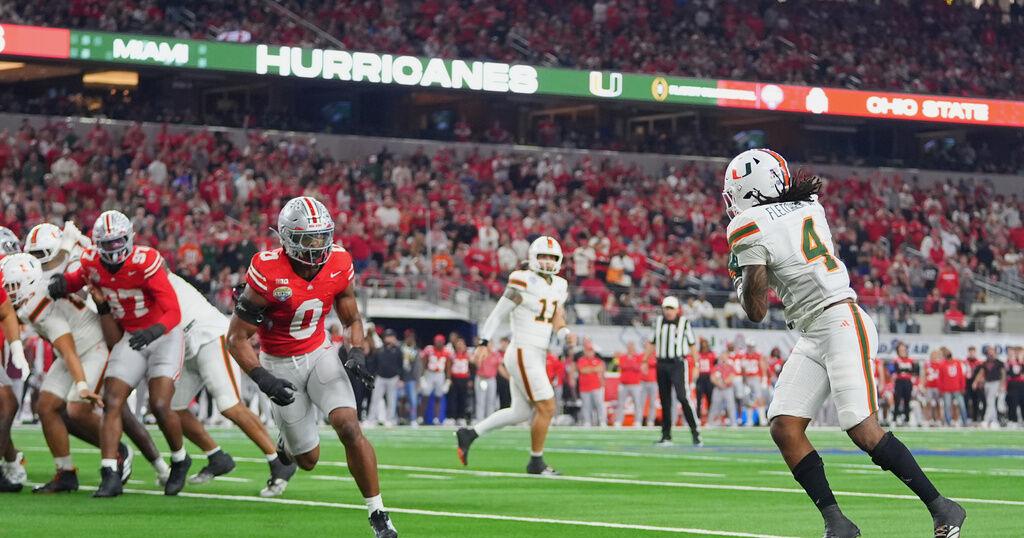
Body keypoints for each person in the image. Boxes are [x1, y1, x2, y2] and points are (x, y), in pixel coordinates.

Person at [723, 148, 964, 537]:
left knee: (861, 427)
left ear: (747, 190)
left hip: (839, 318)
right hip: (813, 329)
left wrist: (747, 268)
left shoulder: (749, 225)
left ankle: (942, 507)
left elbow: (756, 311)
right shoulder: (807, 205)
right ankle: (838, 523)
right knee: (785, 425)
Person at [226, 196, 397, 537]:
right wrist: (263, 378)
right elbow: (236, 338)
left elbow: (351, 316)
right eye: (309, 238)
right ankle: (286, 447)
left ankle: (378, 513)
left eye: (322, 236)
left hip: (319, 352)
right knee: (308, 460)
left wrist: (356, 352)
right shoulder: (266, 270)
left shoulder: (339, 261)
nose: (318, 245)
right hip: (279, 363)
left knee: (348, 426)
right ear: (288, 238)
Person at [49, 210, 191, 497]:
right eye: (108, 244)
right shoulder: (91, 260)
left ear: (129, 239)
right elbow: (79, 277)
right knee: (112, 401)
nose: (113, 249)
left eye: (118, 242)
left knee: (161, 405)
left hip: (163, 333)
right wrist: (63, 284)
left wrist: (153, 331)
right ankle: (110, 473)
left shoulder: (146, 261)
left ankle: (180, 459)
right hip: (130, 336)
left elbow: (173, 309)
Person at [456, 236, 574, 476]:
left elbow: (556, 315)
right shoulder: (523, 280)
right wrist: (484, 342)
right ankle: (536, 461)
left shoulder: (560, 285)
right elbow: (498, 313)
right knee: (547, 406)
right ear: (533, 257)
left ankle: (470, 433)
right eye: (543, 256)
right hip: (523, 350)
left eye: (552, 258)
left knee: (520, 412)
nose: (548, 262)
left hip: (538, 352)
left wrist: (564, 332)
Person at [649, 296, 702, 446]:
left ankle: (695, 431)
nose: (668, 311)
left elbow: (692, 345)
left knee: (682, 397)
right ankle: (666, 435)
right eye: (666, 308)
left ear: (677, 309)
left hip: (678, 363)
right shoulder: (658, 322)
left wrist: (697, 364)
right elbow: (652, 342)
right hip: (662, 364)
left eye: (671, 308)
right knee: (665, 400)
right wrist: (645, 360)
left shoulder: (684, 323)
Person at [368, 329, 403, 427]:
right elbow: (374, 364)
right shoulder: (379, 350)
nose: (390, 338)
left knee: (391, 400)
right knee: (375, 399)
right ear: (384, 338)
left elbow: (401, 365)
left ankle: (390, 419)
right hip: (380, 377)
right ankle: (371, 419)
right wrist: (373, 376)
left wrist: (401, 378)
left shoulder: (398, 350)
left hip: (393, 378)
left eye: (391, 336)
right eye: (388, 336)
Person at [421, 334, 451, 425]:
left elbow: (448, 367)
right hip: (429, 373)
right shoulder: (429, 349)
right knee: (425, 396)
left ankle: (437, 418)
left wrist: (448, 380)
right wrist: (422, 376)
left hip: (440, 374)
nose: (439, 343)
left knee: (438, 397)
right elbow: (424, 363)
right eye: (437, 341)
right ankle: (421, 417)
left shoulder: (447, 351)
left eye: (441, 342)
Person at [575, 339, 606, 427]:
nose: (590, 353)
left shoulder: (598, 360)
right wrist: (593, 369)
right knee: (586, 406)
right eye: (588, 351)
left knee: (599, 405)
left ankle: (602, 421)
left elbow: (600, 369)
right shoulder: (581, 360)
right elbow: (582, 370)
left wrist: (589, 369)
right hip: (584, 387)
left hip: (596, 386)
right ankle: (587, 422)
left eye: (591, 351)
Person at [614, 341, 644, 428]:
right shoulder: (623, 357)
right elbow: (622, 366)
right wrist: (631, 364)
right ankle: (619, 421)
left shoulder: (638, 357)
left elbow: (638, 367)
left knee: (638, 403)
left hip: (635, 384)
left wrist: (630, 364)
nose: (630, 349)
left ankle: (638, 421)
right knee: (620, 403)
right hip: (624, 384)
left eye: (632, 347)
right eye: (629, 347)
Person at [472, 338, 502, 423]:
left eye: (491, 344)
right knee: (480, 401)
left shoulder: (495, 354)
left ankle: (490, 421)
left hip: (491, 379)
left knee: (491, 401)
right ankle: (479, 421)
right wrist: (480, 355)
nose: (489, 346)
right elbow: (477, 365)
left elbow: (499, 367)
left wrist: (509, 377)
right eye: (488, 344)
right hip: (481, 379)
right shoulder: (479, 352)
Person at [938, 348, 966, 427]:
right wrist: (941, 389)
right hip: (946, 390)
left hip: (957, 389)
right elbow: (940, 378)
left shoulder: (957, 363)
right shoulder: (942, 365)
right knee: (947, 406)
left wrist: (962, 387)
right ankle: (948, 422)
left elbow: (961, 376)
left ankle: (965, 421)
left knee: (962, 405)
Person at [979, 347, 1005, 428]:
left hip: (995, 383)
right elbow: (982, 372)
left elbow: (1003, 374)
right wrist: (978, 381)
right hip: (987, 383)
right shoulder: (985, 363)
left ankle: (986, 420)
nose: (990, 354)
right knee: (991, 403)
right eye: (989, 352)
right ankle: (994, 420)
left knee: (990, 402)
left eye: (992, 352)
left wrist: (1001, 384)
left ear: (995, 353)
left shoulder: (999, 363)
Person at [399, 330, 422, 426]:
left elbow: (418, 367)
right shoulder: (400, 348)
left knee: (413, 400)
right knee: (400, 400)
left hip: (411, 379)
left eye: (411, 337)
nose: (410, 339)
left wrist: (418, 380)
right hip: (400, 378)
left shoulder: (416, 350)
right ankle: (401, 418)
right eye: (408, 337)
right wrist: (399, 377)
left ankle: (413, 418)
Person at [892, 343, 917, 426]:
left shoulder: (910, 360)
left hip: (907, 382)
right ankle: (895, 418)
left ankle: (907, 419)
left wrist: (905, 371)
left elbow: (913, 372)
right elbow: (895, 371)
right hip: (899, 382)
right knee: (897, 400)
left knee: (907, 400)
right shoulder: (896, 360)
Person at [448, 338, 472, 426]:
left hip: (464, 379)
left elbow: (470, 369)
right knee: (453, 398)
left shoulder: (468, 356)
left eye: (462, 344)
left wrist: (469, 380)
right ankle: (452, 417)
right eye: (458, 344)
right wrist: (449, 378)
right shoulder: (452, 355)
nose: (460, 346)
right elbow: (449, 367)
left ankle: (461, 417)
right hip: (455, 378)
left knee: (463, 399)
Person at [694, 339, 715, 424]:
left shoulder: (711, 355)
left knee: (710, 398)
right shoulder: (698, 355)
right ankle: (698, 417)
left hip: (708, 378)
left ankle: (710, 418)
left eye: (706, 345)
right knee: (699, 399)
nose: (704, 347)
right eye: (703, 345)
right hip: (700, 377)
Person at [1006, 346, 1024, 427]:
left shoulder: (1021, 362)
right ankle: (1013, 420)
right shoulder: (1010, 362)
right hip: (1013, 385)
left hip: (1022, 385)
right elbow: (1014, 373)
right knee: (1013, 403)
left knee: (1022, 403)